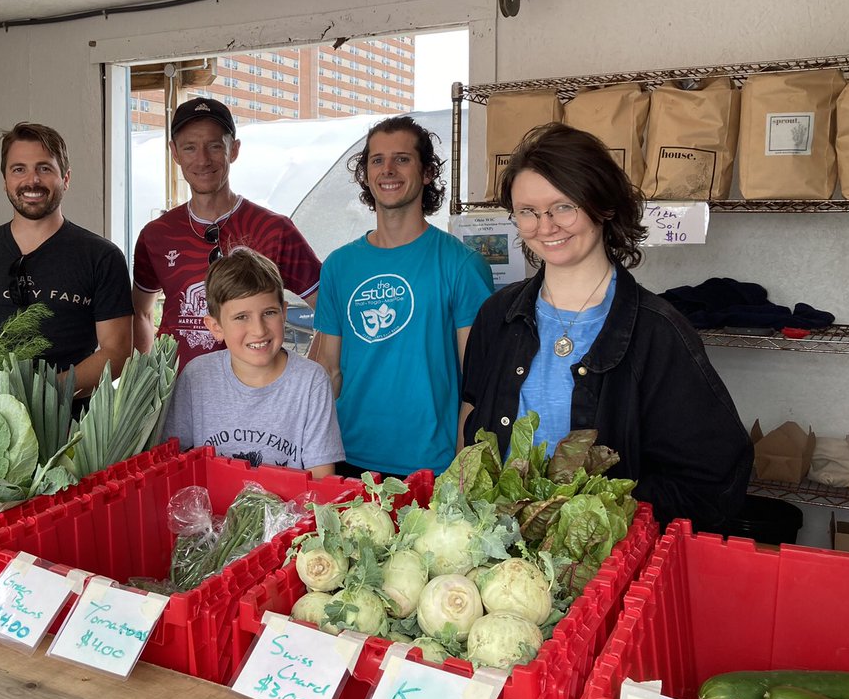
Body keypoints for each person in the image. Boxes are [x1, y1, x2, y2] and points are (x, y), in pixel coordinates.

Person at [459, 122, 753, 531]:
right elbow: (472, 418)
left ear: (603, 205)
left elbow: (713, 476)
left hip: (601, 558)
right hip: (498, 547)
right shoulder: (498, 315)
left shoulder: (657, 332)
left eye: (563, 207)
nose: (545, 226)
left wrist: (601, 519)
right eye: (528, 211)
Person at [313, 115, 495, 479]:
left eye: (402, 159)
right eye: (377, 160)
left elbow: (477, 384)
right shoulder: (338, 266)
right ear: (366, 174)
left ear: (427, 173)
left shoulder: (462, 265)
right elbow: (328, 372)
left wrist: (462, 470)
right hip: (347, 455)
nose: (388, 170)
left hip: (430, 466)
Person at [0, 122, 134, 393]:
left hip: (71, 416)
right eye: (19, 169)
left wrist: (43, 395)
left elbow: (117, 353)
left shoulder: (102, 257)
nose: (32, 180)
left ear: (66, 178)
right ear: (5, 181)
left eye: (44, 168)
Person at [132, 96, 322, 368]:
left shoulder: (274, 230)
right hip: (177, 389)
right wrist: (145, 382)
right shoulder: (156, 235)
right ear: (174, 152)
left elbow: (329, 311)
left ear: (234, 150)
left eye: (214, 146)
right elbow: (141, 312)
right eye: (189, 148)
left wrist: (310, 371)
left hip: (255, 390)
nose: (202, 160)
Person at [163, 247, 344, 478]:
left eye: (269, 313)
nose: (259, 330)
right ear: (216, 327)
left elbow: (321, 478)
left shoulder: (311, 381)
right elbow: (172, 461)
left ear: (284, 313)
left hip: (292, 503)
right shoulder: (196, 376)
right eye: (241, 317)